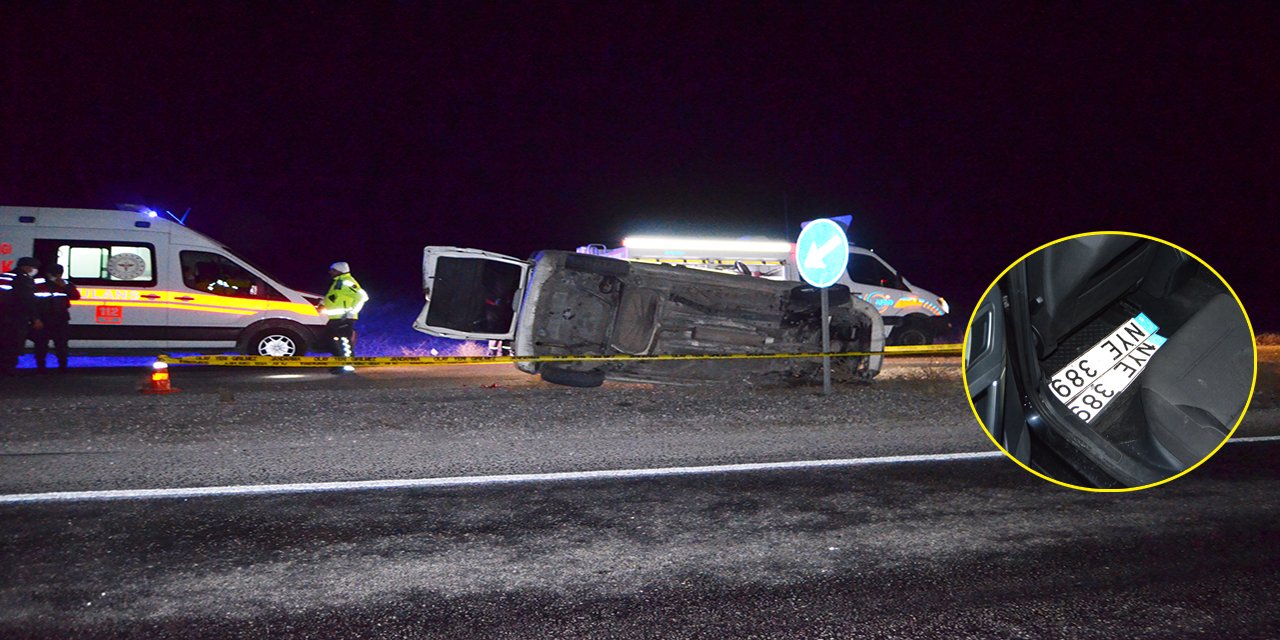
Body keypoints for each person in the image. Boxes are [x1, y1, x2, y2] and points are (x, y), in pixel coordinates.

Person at [317, 261, 369, 374]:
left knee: (344, 341)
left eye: (333, 270)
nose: (330, 272)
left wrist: (352, 312)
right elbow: (333, 297)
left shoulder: (347, 281)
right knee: (329, 340)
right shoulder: (338, 282)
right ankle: (340, 363)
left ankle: (347, 366)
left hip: (343, 318)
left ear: (339, 270)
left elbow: (363, 296)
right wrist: (322, 303)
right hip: (335, 318)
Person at [31, 264, 81, 373]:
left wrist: (65, 286)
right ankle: (41, 368)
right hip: (43, 318)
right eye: (56, 273)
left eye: (60, 273)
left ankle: (62, 367)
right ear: (48, 273)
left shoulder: (65, 283)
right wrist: (35, 319)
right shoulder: (38, 283)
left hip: (60, 318)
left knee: (61, 344)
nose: (58, 275)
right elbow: (31, 302)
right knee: (41, 344)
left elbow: (76, 296)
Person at [0, 257, 43, 375]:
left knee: (3, 343)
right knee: (14, 343)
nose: (34, 270)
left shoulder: (4, 276)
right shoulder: (23, 279)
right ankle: (8, 369)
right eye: (34, 267)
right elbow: (27, 300)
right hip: (16, 317)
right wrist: (35, 318)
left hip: (3, 316)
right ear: (27, 267)